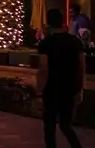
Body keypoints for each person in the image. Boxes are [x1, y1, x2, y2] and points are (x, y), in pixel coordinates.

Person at [39, 8, 86, 148]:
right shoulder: (75, 42)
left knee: (49, 126)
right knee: (66, 125)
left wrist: (38, 91)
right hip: (70, 88)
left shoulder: (46, 43)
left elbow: (43, 69)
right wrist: (80, 88)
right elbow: (82, 66)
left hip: (52, 88)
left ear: (49, 24)